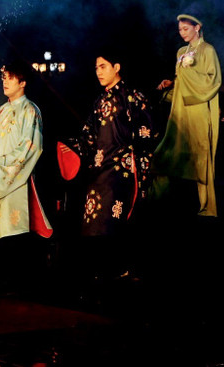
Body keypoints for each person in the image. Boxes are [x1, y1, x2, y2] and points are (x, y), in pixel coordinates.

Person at [57, 54, 156, 280]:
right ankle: (102, 271)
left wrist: (140, 164)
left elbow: (147, 132)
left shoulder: (133, 97)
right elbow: (88, 135)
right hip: (99, 170)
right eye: (96, 68)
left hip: (123, 171)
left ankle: (122, 269)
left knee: (117, 218)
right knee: (95, 220)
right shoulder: (99, 102)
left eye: (103, 66)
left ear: (117, 67)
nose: (98, 72)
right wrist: (72, 147)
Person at [0, 60, 51, 298]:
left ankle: (15, 284)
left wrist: (5, 170)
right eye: (3, 77)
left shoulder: (30, 110)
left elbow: (31, 147)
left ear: (23, 82)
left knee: (14, 230)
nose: (5, 81)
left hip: (18, 179)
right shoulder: (0, 111)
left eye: (10, 77)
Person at [151, 14, 222, 217]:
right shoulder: (181, 52)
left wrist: (187, 73)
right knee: (166, 151)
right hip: (181, 109)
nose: (181, 33)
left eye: (185, 29)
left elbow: (213, 81)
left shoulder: (208, 50)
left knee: (201, 156)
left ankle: (207, 206)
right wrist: (171, 84)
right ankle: (157, 197)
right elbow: (182, 80)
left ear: (197, 27)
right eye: (180, 29)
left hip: (199, 108)